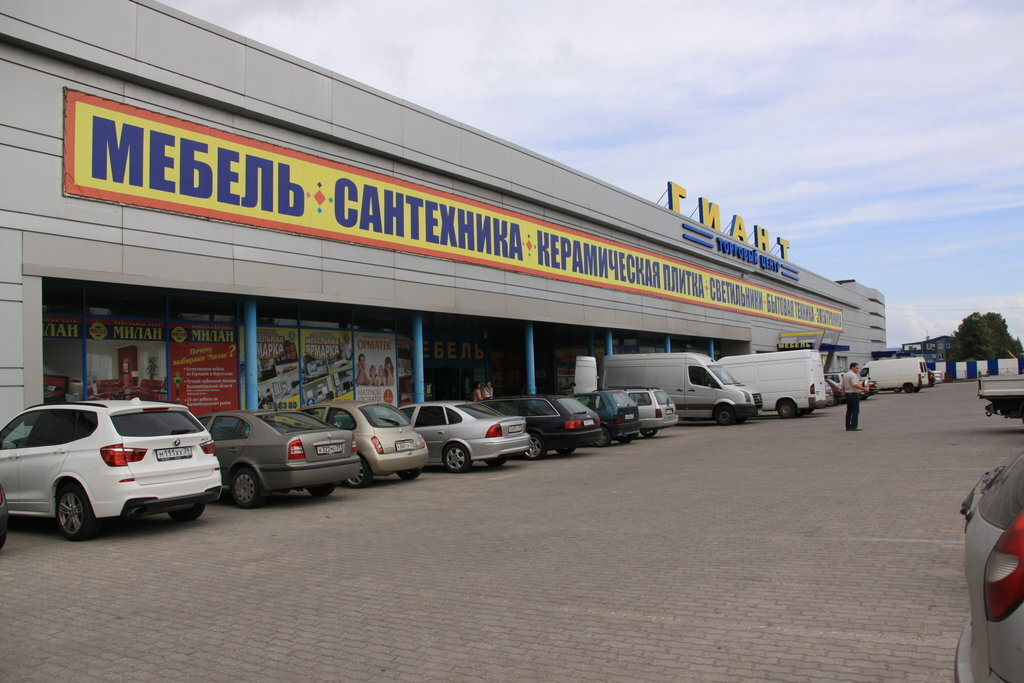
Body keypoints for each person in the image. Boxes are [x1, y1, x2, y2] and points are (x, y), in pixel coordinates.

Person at [842, 363, 869, 431]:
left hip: (847, 394)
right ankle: (854, 426)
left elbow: (843, 386)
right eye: (857, 368)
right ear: (852, 367)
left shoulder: (845, 375)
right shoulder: (853, 375)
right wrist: (864, 389)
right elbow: (855, 384)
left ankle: (848, 426)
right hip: (853, 394)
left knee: (849, 411)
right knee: (855, 411)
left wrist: (844, 393)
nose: (858, 369)